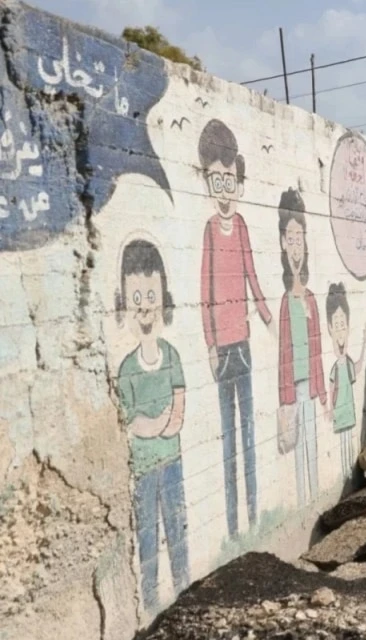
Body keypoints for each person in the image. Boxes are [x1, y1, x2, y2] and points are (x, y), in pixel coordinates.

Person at [198, 119, 273, 537]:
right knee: (227, 438)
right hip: (222, 349)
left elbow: (252, 275)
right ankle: (230, 526)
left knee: (249, 433)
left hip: (242, 343)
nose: (225, 191)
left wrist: (266, 317)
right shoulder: (210, 230)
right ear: (208, 182)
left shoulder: (242, 226)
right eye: (217, 181)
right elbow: (205, 290)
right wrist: (210, 343)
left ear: (240, 184)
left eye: (230, 181)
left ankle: (253, 512)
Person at [115, 238, 189, 612]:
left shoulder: (172, 356)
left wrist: (157, 423)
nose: (145, 308)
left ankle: (184, 590)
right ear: (125, 304)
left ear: (164, 299)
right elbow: (132, 423)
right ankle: (150, 603)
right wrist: (156, 423)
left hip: (171, 461)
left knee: (177, 529)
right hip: (144, 469)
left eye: (151, 297)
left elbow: (177, 413)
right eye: (137, 299)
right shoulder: (127, 368)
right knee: (147, 536)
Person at [277, 188, 327, 504]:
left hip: (309, 386)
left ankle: (313, 497)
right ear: (283, 243)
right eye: (291, 239)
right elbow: (283, 353)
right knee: (297, 450)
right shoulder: (286, 301)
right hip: (294, 389)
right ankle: (304, 502)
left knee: (312, 444)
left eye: (300, 239)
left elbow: (318, 350)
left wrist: (322, 392)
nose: (296, 246)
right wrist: (284, 398)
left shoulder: (310, 299)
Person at [326, 283, 366, 479]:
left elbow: (358, 367)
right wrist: (328, 407)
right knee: (342, 440)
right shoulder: (335, 366)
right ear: (330, 329)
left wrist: (365, 341)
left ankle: (349, 474)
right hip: (340, 408)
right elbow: (331, 385)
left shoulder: (348, 362)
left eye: (343, 325)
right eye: (337, 326)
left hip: (348, 408)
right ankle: (345, 475)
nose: (340, 331)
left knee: (348, 441)